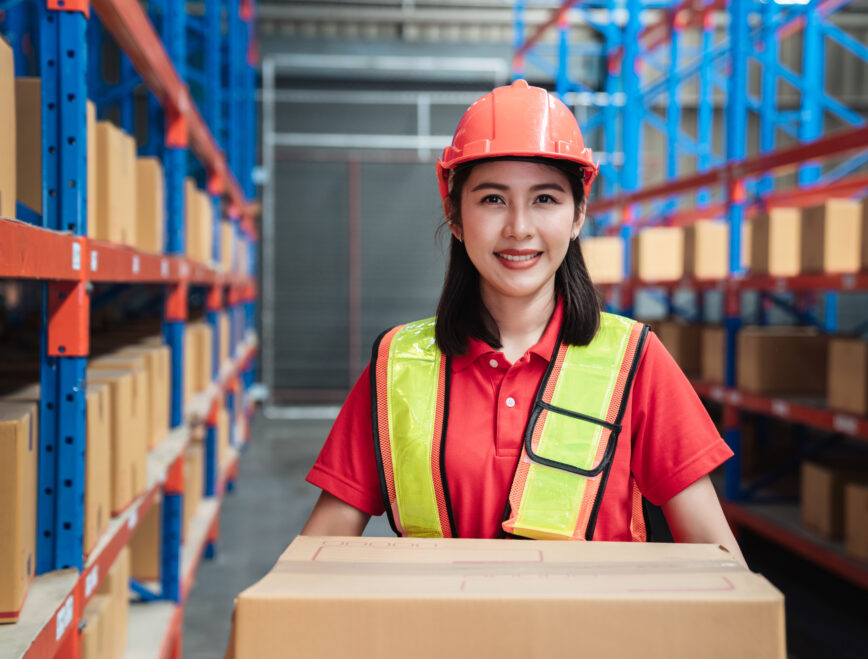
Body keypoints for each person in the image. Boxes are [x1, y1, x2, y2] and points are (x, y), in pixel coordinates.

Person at [300, 79, 744, 563]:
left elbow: (720, 566)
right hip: (437, 638)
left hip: (594, 640)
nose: (519, 227)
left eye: (545, 199)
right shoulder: (397, 367)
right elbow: (312, 563)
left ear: (578, 215)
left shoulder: (634, 364)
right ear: (454, 213)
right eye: (492, 199)